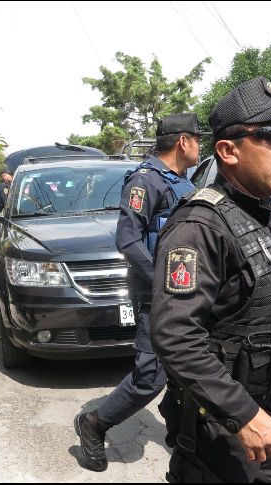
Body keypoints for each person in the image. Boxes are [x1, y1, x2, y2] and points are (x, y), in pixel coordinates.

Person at [149, 77, 271, 482]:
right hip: (221, 425)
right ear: (228, 151)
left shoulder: (256, 212)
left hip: (269, 407)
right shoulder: (198, 227)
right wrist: (242, 415)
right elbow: (175, 335)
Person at [74, 113, 204, 472]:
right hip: (158, 295)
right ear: (183, 142)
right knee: (150, 376)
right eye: (198, 139)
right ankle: (94, 424)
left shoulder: (183, 182)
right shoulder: (145, 181)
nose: (200, 145)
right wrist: (162, 282)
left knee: (190, 365)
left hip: (188, 294)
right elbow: (128, 239)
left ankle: (181, 433)